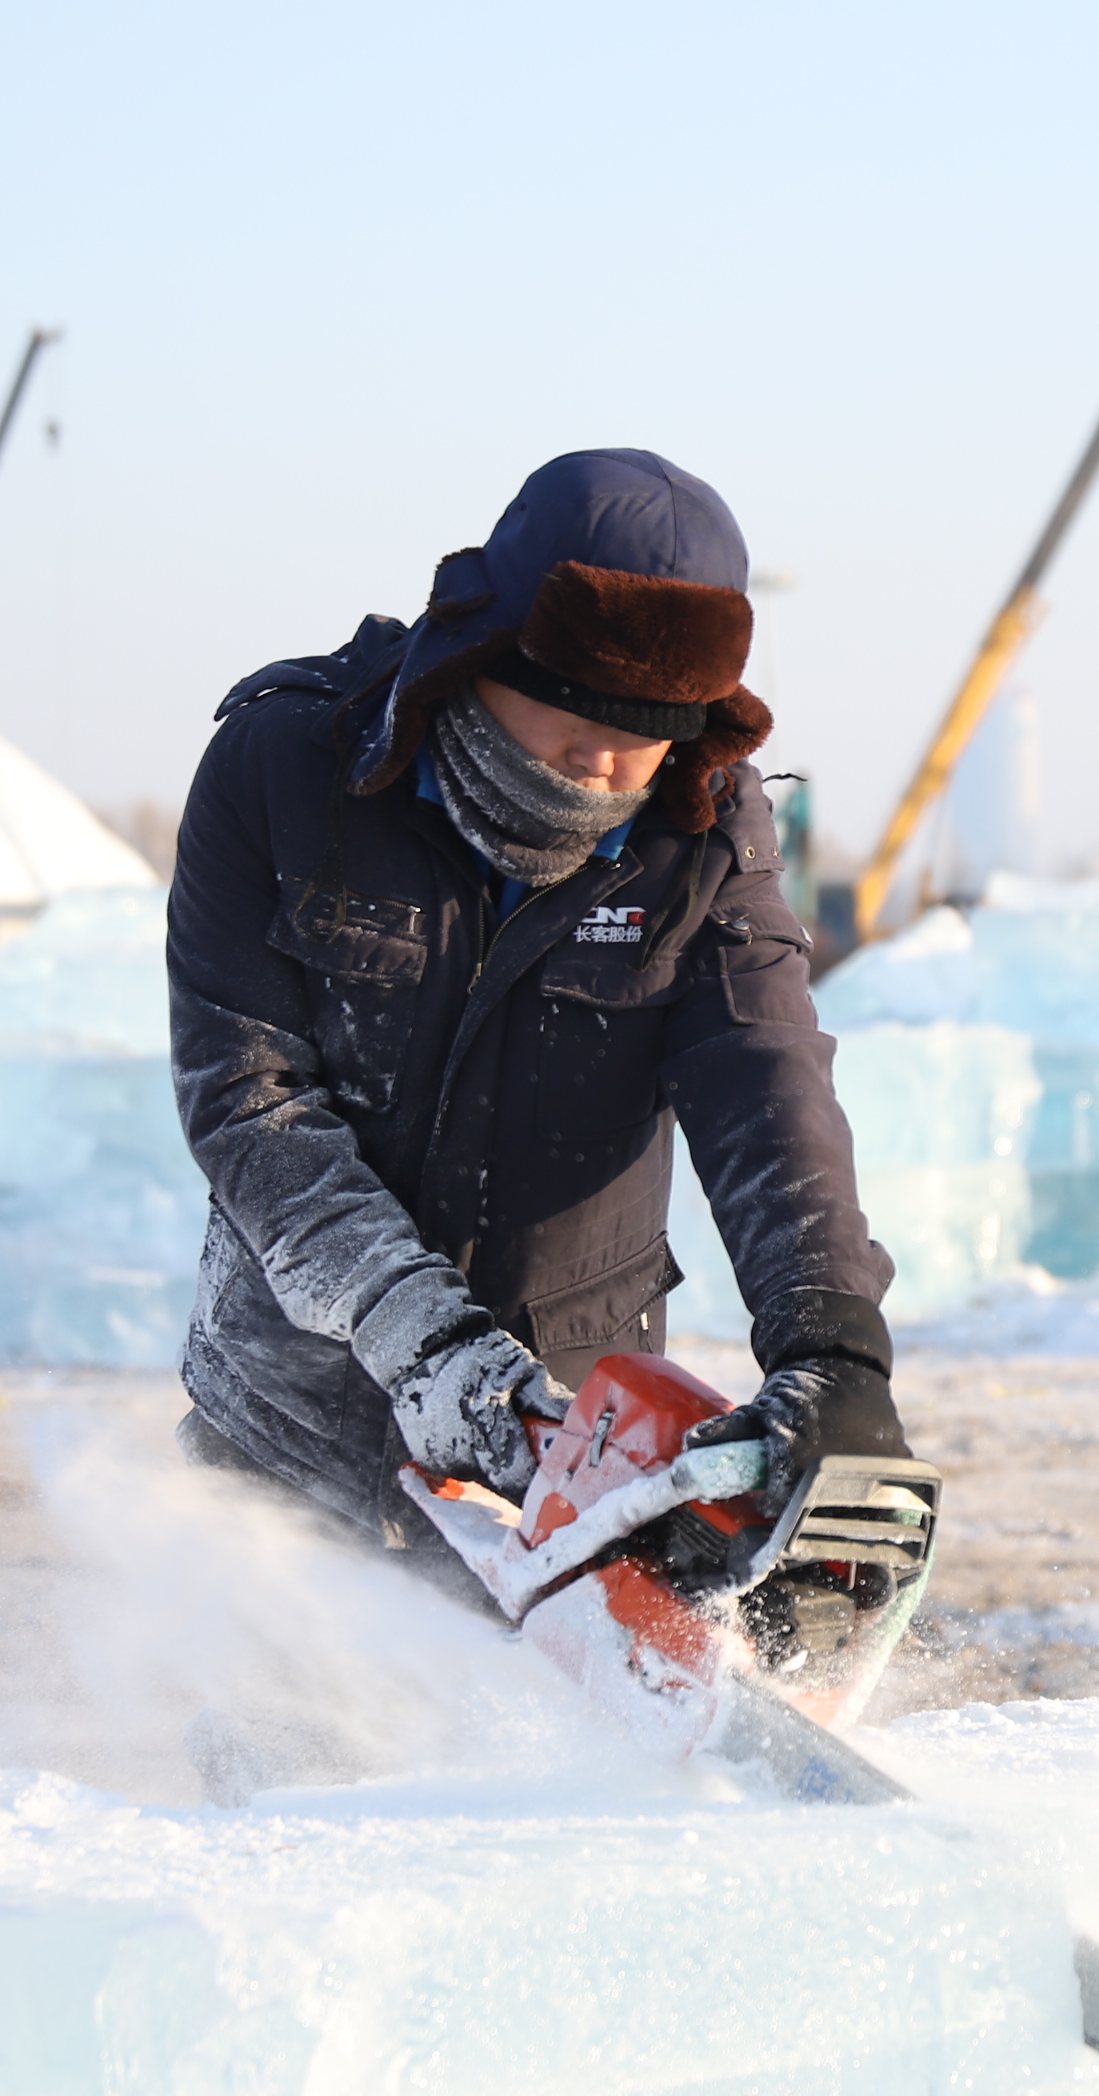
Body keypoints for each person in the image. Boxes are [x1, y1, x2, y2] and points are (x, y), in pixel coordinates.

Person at [165, 449, 902, 1581]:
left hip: (555, 1453)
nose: (607, 764)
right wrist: (424, 1340)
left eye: (648, 728)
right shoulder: (284, 767)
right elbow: (248, 1101)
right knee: (281, 1743)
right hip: (292, 1414)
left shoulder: (699, 833)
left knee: (519, 1757)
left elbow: (764, 1072)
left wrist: (830, 1342)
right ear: (484, 648)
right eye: (575, 712)